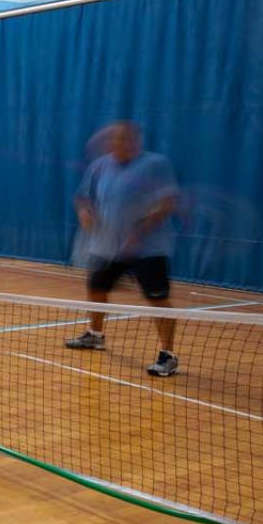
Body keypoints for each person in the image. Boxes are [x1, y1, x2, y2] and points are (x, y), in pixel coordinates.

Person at [63, 121, 183, 377]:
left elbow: (168, 202)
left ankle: (168, 354)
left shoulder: (155, 164)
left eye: (123, 140)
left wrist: (140, 233)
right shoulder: (100, 166)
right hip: (107, 248)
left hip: (148, 248)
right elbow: (82, 197)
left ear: (135, 141)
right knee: (96, 288)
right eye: (113, 141)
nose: (116, 145)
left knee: (158, 299)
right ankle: (95, 335)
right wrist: (84, 211)